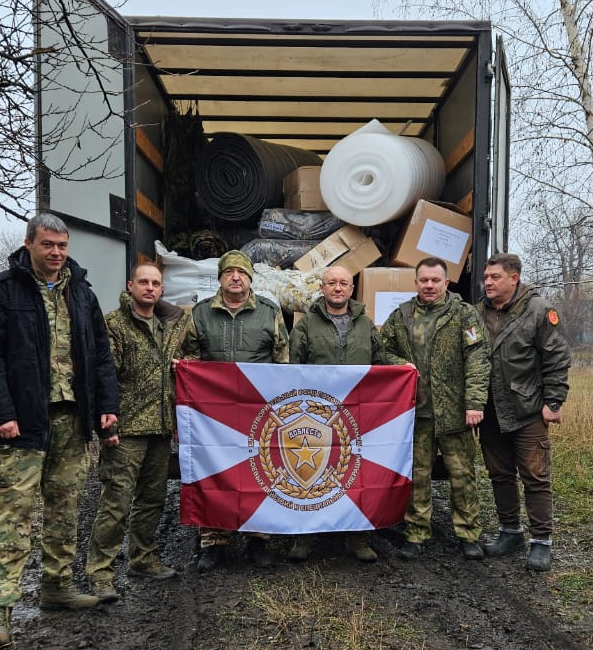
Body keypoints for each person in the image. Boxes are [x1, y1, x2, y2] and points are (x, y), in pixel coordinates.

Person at [0, 213, 119, 649]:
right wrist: (1, 413)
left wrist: (106, 407)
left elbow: (100, 354)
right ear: (29, 244)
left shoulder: (81, 292)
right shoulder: (2, 290)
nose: (56, 253)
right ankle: (0, 611)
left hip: (72, 418)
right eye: (48, 245)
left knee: (65, 508)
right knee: (13, 516)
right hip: (21, 423)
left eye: (62, 245)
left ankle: (57, 586)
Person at [176, 249, 289, 572]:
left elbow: (284, 362)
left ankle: (258, 539)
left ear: (250, 279)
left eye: (242, 273)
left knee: (260, 473)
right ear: (220, 278)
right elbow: (190, 358)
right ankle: (214, 541)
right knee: (214, 472)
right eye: (229, 272)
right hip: (213, 415)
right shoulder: (200, 313)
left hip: (259, 412)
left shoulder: (269, 312)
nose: (235, 277)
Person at [85, 262, 186, 598]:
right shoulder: (114, 324)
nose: (150, 288)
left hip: (160, 428)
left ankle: (142, 559)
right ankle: (100, 573)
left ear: (162, 289)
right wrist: (106, 424)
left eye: (155, 283)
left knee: (153, 499)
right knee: (116, 502)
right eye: (143, 282)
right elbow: (103, 376)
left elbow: (182, 368)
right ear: (130, 286)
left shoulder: (171, 326)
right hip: (125, 429)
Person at [380, 257, 490, 560]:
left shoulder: (463, 315)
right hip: (416, 414)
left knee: (462, 475)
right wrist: (401, 364)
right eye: (424, 280)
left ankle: (468, 534)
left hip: (455, 412)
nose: (429, 285)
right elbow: (381, 350)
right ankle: (416, 533)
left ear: (446, 283)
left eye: (435, 280)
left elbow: (478, 360)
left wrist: (474, 403)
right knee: (417, 476)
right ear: (415, 282)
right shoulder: (401, 315)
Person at [477, 252, 571, 572]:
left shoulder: (539, 311)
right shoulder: (478, 312)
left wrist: (553, 402)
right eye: (486, 277)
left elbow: (556, 357)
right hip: (490, 410)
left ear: (513, 278)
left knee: (536, 476)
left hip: (527, 409)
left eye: (495, 277)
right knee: (500, 474)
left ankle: (541, 542)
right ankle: (510, 532)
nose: (488, 282)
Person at [288, 264, 388, 563]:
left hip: (357, 414)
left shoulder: (366, 325)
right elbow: (293, 369)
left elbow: (381, 366)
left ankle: (357, 536)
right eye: (331, 282)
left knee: (355, 473)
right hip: (315, 414)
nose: (338, 288)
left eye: (344, 283)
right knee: (310, 472)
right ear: (322, 288)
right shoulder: (306, 325)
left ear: (352, 289)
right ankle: (305, 535)